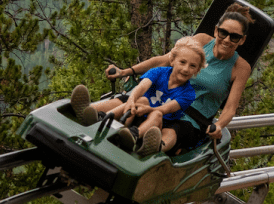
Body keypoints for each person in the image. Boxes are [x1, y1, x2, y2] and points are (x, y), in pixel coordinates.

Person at [104, 2, 254, 154]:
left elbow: (230, 107)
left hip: (192, 117)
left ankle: (152, 147)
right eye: (223, 33)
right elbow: (164, 60)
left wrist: (219, 125)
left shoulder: (240, 67)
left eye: (234, 37)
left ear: (242, 40)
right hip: (165, 97)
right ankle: (90, 113)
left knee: (175, 129)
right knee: (129, 101)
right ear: (216, 31)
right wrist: (126, 72)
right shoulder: (201, 41)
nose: (227, 40)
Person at [70, 36, 206, 156]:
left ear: (197, 70)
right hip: (136, 112)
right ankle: (101, 117)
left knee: (156, 113)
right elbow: (141, 87)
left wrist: (144, 109)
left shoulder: (188, 93)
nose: (186, 69)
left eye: (192, 66)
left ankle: (135, 135)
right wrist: (131, 100)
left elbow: (166, 109)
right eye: (182, 62)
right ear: (172, 60)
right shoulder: (159, 72)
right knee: (142, 99)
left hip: (156, 124)